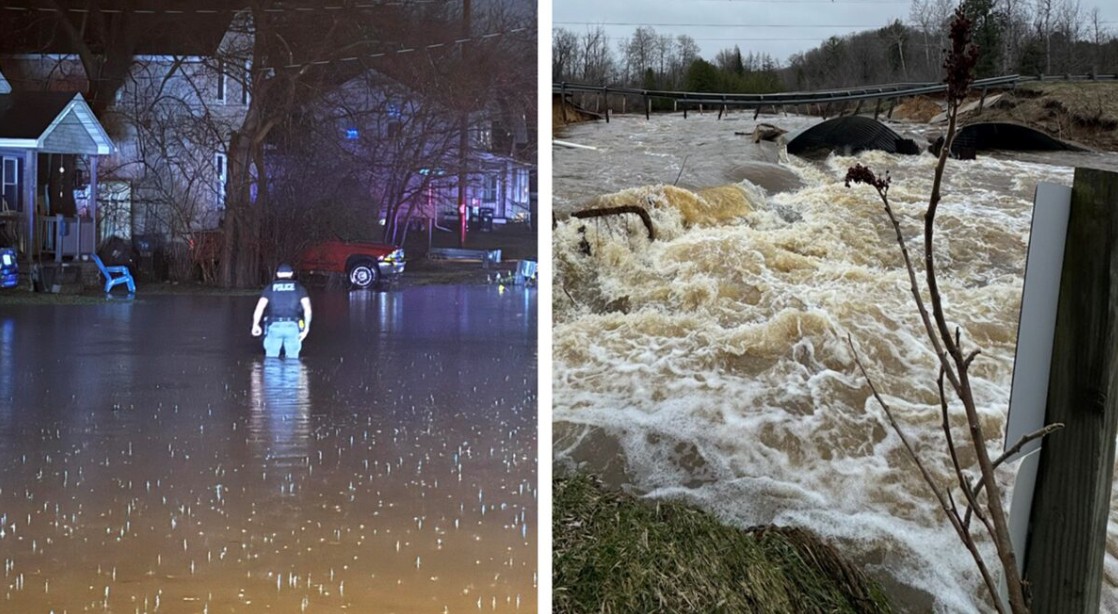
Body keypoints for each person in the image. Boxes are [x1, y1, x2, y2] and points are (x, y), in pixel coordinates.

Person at [251, 263, 312, 358]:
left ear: (278, 274)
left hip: (273, 326)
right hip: (293, 326)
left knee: (271, 359)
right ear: (291, 274)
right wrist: (306, 328)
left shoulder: (270, 288)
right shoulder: (299, 288)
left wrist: (255, 324)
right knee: (293, 359)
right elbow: (307, 308)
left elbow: (260, 307)